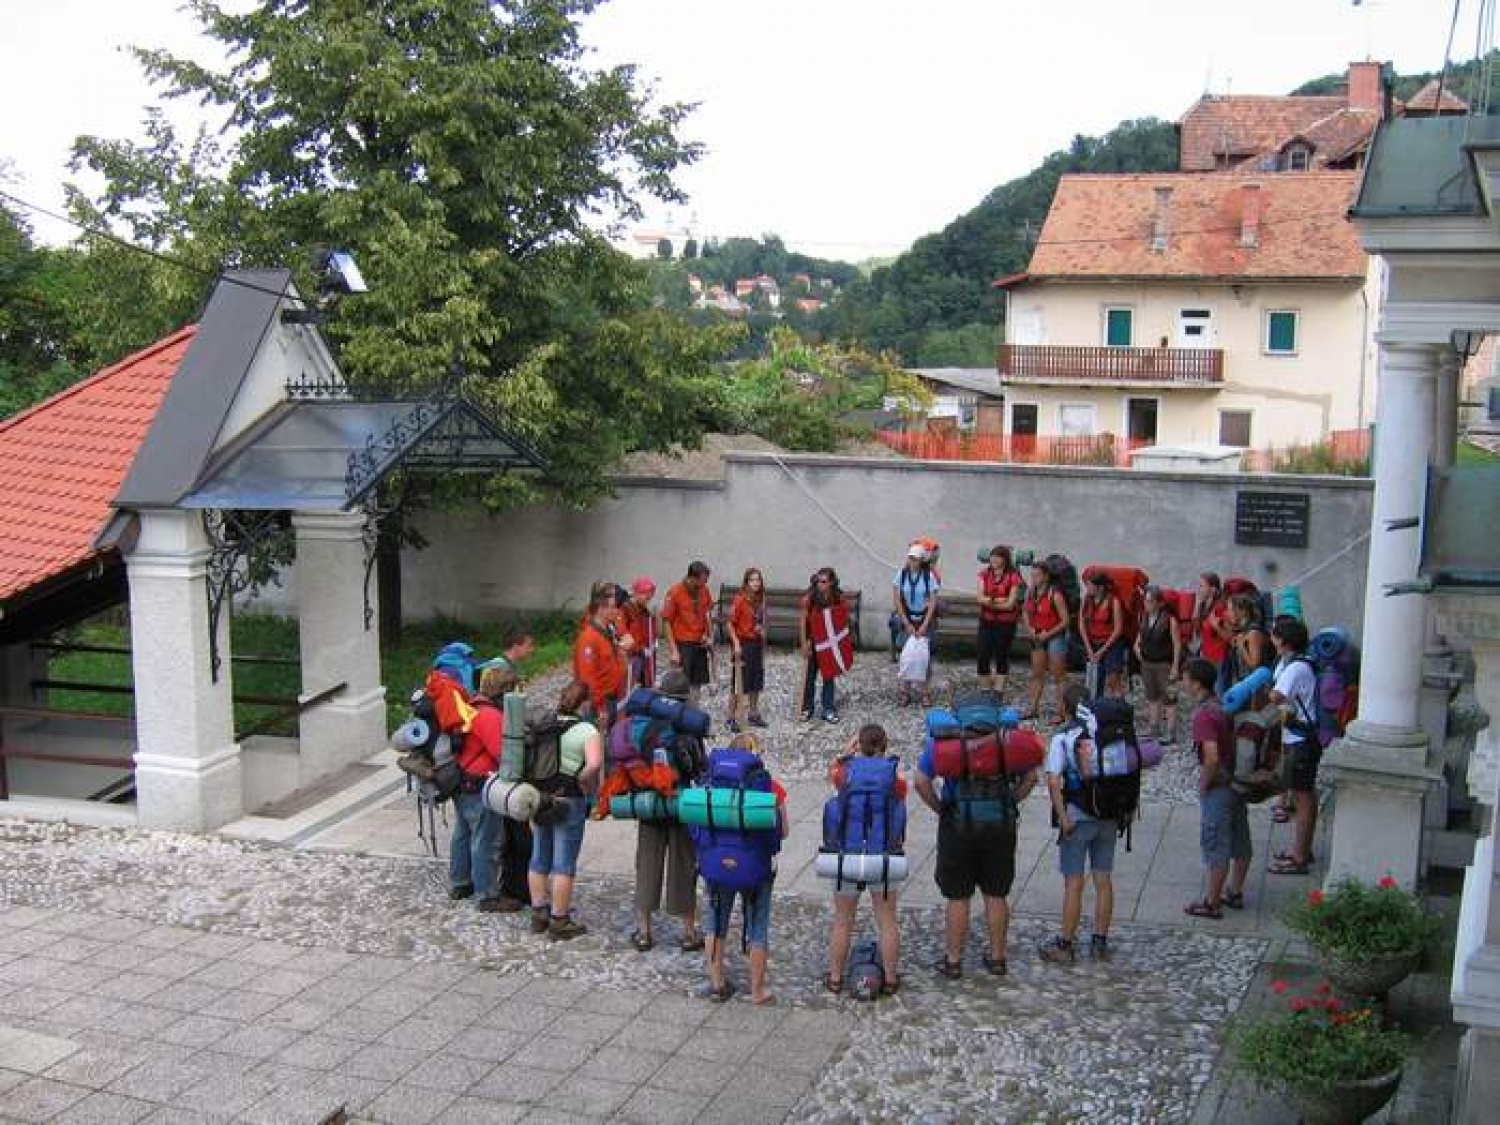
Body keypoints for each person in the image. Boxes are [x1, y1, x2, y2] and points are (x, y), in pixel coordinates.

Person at [914, 716, 1036, 979]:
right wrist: (1011, 801)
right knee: (996, 893)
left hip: (957, 825)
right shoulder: (1006, 740)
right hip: (1000, 824)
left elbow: (921, 782)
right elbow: (1031, 777)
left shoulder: (947, 739)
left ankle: (954, 960)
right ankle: (997, 958)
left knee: (957, 896)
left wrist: (940, 808)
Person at [700, 732, 787, 1005]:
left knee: (716, 922)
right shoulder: (769, 787)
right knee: (758, 927)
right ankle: (758, 990)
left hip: (717, 863)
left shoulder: (711, 785)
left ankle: (716, 983)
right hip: (755, 866)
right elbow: (782, 831)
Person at [824, 724, 906, 996]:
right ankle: (891, 978)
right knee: (887, 921)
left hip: (848, 855)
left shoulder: (845, 772)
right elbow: (900, 804)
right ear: (885, 745)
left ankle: (835, 978)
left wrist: (845, 753)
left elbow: (831, 775)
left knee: (843, 920)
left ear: (858, 745)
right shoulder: (894, 775)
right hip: (882, 857)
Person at [1039, 683, 1117, 963]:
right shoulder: (1105, 731)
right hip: (1108, 814)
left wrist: (1062, 817)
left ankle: (1066, 944)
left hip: (1078, 814)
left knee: (1074, 883)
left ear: (1064, 707)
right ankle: (1100, 942)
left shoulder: (1063, 736)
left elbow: (1052, 780)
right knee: (1103, 879)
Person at [631, 669, 704, 952]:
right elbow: (700, 766)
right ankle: (688, 932)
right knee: (684, 864)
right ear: (685, 698)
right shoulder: (690, 725)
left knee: (647, 862)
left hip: (650, 801)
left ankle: (644, 932)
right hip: (680, 801)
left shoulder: (645, 724)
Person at [527, 680, 605, 940]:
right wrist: (582, 780)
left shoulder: (546, 723)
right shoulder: (586, 730)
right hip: (569, 798)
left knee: (539, 855)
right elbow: (594, 765)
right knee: (564, 863)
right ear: (584, 703)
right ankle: (559, 920)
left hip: (540, 796)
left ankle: (538, 912)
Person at [1181, 658, 1250, 918]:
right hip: (1238, 780)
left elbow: (1210, 756)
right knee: (1240, 837)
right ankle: (1235, 891)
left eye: (1186, 679)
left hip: (1220, 785)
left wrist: (1204, 783)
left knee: (1215, 844)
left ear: (1196, 683)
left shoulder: (1204, 715)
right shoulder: (1223, 705)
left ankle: (1212, 902)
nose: (1183, 683)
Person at [449, 664, 512, 910]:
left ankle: (460, 883)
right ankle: (487, 895)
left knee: (463, 834)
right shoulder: (491, 716)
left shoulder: (472, 707)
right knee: (485, 839)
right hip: (480, 785)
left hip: (461, 780)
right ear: (503, 691)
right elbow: (501, 753)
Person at [1267, 618, 1321, 876]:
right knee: (1303, 795)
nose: (1271, 637)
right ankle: (1302, 849)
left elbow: (1276, 695)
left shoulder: (1295, 668)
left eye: (1275, 635)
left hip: (1300, 741)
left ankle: (1299, 857)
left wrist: (1265, 692)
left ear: (1283, 641)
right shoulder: (1292, 662)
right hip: (1296, 737)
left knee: (1303, 798)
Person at [799, 567, 854, 723]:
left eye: (823, 581)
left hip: (829, 644)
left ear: (831, 583)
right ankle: (807, 707)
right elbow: (803, 621)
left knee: (829, 675)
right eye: (818, 581)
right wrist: (804, 643)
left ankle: (828, 708)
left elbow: (841, 621)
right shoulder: (809, 599)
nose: (820, 584)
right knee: (809, 677)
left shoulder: (838, 598)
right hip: (813, 643)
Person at [573, 580, 628, 728]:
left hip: (611, 699)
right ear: (601, 609)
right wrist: (599, 708)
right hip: (599, 704)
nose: (617, 611)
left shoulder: (607, 631)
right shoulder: (589, 638)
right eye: (614, 607)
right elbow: (587, 679)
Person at [662, 561, 715, 707]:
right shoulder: (675, 592)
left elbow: (707, 614)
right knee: (681, 684)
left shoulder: (704, 590)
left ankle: (693, 714)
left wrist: (708, 635)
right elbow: (666, 621)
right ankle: (679, 716)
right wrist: (673, 650)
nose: (704, 584)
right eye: (703, 581)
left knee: (697, 683)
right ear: (692, 578)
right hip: (683, 644)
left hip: (700, 643)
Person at [892, 544, 939, 706]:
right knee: (907, 656)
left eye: (915, 559)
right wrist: (906, 622)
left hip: (925, 619)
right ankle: (905, 691)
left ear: (921, 560)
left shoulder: (928, 576)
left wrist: (925, 625)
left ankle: (925, 692)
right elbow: (897, 599)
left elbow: (933, 601)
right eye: (910, 558)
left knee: (924, 657)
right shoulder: (901, 575)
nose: (912, 561)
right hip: (908, 618)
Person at [1135, 585, 1182, 744]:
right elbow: (1140, 635)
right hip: (1147, 662)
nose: (1146, 604)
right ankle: (1153, 728)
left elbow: (1177, 644)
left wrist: (1175, 667)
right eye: (1145, 601)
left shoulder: (1170, 620)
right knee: (1152, 696)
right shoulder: (1144, 617)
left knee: (1170, 697)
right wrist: (1136, 645)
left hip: (1164, 664)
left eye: (1149, 601)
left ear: (1159, 603)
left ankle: (1171, 732)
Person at [1023, 560, 1069, 721]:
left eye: (1037, 575)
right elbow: (1025, 612)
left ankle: (1062, 712)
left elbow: (1065, 621)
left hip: (1054, 636)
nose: (1034, 578)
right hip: (1037, 636)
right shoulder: (1031, 592)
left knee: (1058, 676)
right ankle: (1033, 708)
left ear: (1046, 577)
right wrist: (1029, 629)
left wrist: (1047, 634)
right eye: (1032, 575)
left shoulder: (1055, 594)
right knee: (1037, 673)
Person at [976, 545, 1025, 698]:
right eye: (993, 556)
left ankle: (998, 691)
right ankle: (985, 689)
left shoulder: (1013, 576)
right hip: (987, 621)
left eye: (998, 557)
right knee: (982, 655)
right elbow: (979, 598)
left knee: (1001, 655)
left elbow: (1011, 604)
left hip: (1005, 623)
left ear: (1005, 559)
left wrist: (990, 601)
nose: (994, 560)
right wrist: (1000, 600)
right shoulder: (984, 574)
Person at [727, 567, 768, 732]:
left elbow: (763, 620)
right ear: (746, 582)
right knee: (739, 682)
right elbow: (729, 623)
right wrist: (736, 643)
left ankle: (753, 713)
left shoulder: (762, 599)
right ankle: (731, 717)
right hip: (743, 643)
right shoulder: (739, 599)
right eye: (752, 580)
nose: (755, 583)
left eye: (758, 579)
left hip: (757, 643)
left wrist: (764, 630)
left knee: (756, 680)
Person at [1080, 571, 1126, 699]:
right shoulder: (1087, 600)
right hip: (1092, 643)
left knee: (1112, 679)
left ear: (1100, 587)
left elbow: (1118, 629)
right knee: (1094, 678)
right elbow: (1081, 624)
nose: (1087, 588)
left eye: (1090, 586)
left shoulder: (1114, 601)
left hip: (1112, 644)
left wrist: (1102, 651)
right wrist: (1089, 648)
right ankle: (1096, 707)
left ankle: (1118, 709)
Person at [1225, 592, 1271, 691]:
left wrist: (1241, 646)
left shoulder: (1253, 633)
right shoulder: (1243, 631)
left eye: (1230, 610)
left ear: (1243, 612)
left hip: (1256, 687)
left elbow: (1255, 665)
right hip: (1246, 684)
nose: (1227, 613)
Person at [619, 577, 660, 690]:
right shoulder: (625, 609)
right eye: (646, 596)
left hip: (643, 654)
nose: (648, 600)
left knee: (644, 684)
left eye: (650, 597)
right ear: (636, 593)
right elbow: (622, 632)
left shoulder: (644, 610)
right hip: (630, 655)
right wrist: (636, 648)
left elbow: (651, 631)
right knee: (629, 686)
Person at [1194, 573, 1232, 681]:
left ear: (1213, 589)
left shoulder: (1222, 607)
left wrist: (1216, 626)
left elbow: (1230, 637)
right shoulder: (1204, 605)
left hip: (1219, 657)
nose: (1199, 589)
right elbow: (1197, 632)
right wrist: (1197, 606)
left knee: (1218, 691)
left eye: (1202, 586)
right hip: (1206, 655)